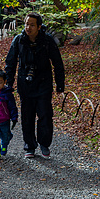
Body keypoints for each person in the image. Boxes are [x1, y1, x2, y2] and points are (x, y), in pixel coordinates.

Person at [5, 12, 65, 159]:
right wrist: (9, 84)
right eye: (26, 24)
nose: (28, 27)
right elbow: (10, 63)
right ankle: (29, 146)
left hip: (43, 82)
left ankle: (44, 143)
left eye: (32, 24)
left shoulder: (47, 40)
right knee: (27, 116)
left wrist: (60, 84)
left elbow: (57, 63)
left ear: (39, 26)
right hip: (25, 83)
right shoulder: (19, 40)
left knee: (45, 114)